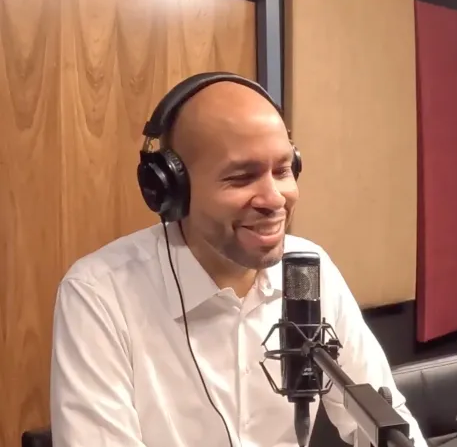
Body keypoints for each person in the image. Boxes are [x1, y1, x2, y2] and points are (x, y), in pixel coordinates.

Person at [49, 75, 428, 447]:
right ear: (171, 189)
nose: (275, 199)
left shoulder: (309, 270)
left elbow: (385, 421)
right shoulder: (99, 295)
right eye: (241, 177)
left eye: (282, 171)